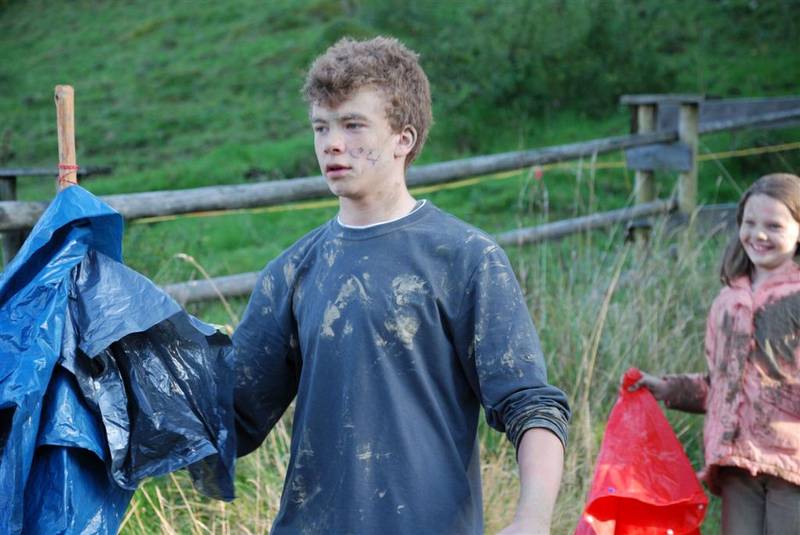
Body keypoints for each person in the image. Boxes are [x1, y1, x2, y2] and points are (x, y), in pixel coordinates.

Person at [232, 36, 570, 534]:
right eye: (321, 127)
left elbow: (531, 405)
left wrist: (532, 519)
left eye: (353, 125)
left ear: (403, 139)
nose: (331, 144)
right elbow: (230, 415)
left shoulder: (465, 258)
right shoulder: (293, 271)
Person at [631, 173, 800, 534]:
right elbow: (721, 385)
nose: (759, 235)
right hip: (735, 462)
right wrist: (668, 388)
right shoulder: (728, 301)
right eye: (750, 223)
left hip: (792, 465)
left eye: (774, 225)